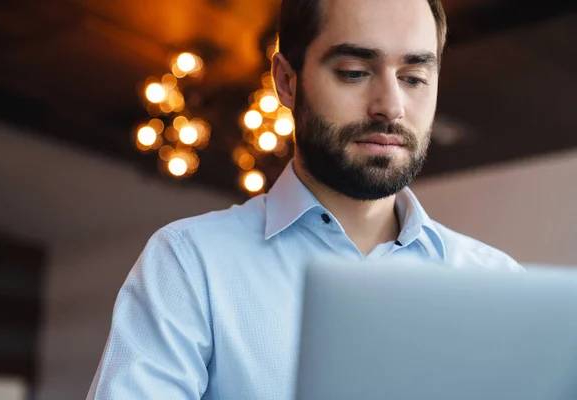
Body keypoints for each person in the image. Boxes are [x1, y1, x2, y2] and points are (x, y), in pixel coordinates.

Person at [87, 0, 522, 398]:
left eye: (414, 78)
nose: (391, 106)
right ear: (287, 82)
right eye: (354, 72)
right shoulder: (189, 262)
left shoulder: (500, 284)